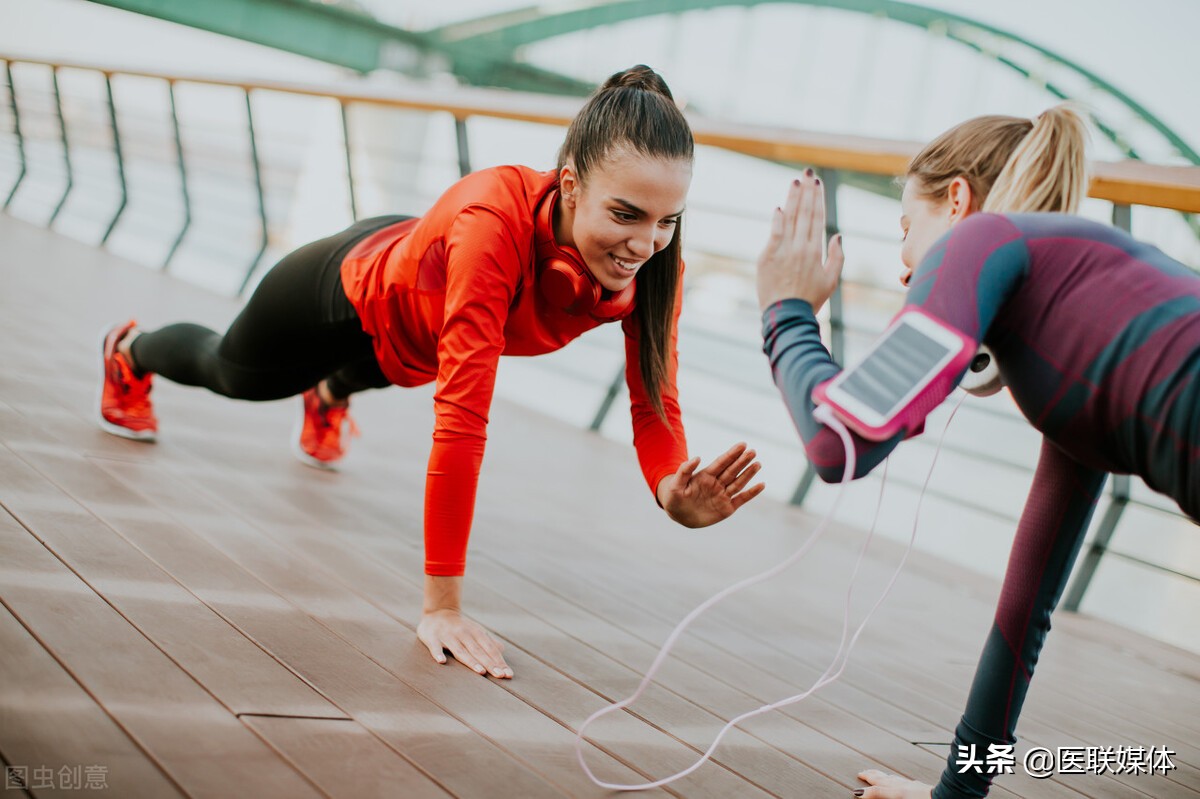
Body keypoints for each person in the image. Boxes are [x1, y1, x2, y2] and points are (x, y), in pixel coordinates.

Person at [98, 64, 765, 680]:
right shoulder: (494, 222)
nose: (645, 244)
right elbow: (463, 418)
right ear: (568, 185)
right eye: (625, 214)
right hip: (349, 292)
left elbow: (655, 400)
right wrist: (441, 603)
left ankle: (328, 394)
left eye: (666, 222)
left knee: (397, 366)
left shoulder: (655, 268)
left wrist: (669, 486)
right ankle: (130, 350)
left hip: (417, 336)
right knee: (233, 374)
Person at [755, 107, 1199, 798]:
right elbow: (1024, 614)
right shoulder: (1084, 314)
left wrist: (786, 309)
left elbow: (839, 440)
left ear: (957, 200)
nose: (908, 270)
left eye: (908, 233)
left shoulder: (984, 241)